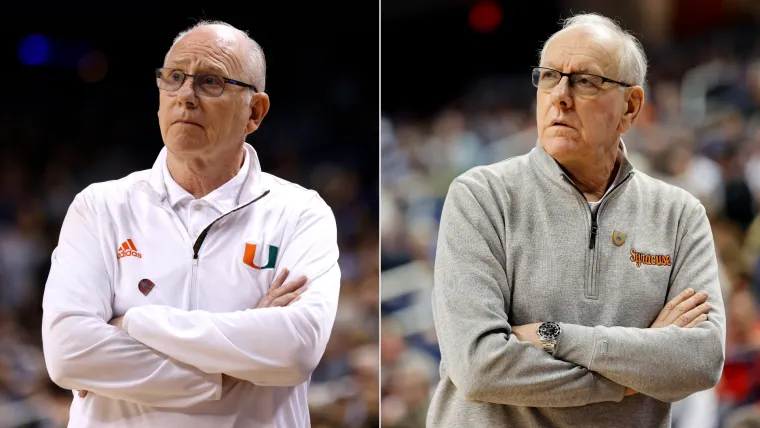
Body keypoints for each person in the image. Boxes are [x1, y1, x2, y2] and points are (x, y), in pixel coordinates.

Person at [428, 13, 725, 428]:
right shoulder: (481, 196)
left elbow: (700, 360)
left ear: (631, 105)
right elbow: (479, 366)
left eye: (585, 81)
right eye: (549, 76)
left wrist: (555, 336)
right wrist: (629, 380)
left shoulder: (679, 215)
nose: (560, 96)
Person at [41, 20, 341, 427]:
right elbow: (67, 353)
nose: (185, 96)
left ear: (254, 112)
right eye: (175, 78)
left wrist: (133, 323)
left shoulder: (301, 213)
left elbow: (295, 350)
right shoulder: (99, 207)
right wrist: (233, 368)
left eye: (211, 82)